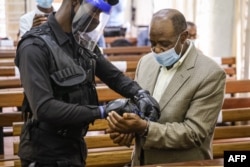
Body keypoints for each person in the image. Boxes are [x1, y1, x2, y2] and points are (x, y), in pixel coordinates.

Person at [15, 0, 160, 166]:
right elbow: (44, 108)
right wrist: (102, 110)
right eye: (95, 12)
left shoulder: (81, 41)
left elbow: (113, 76)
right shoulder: (34, 46)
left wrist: (140, 94)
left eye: (100, 14)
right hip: (44, 153)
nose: (97, 20)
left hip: (74, 147)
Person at [106, 8, 226, 166]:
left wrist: (145, 128)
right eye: (152, 43)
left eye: (164, 44)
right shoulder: (146, 62)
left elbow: (194, 133)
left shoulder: (210, 73)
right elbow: (138, 109)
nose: (156, 50)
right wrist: (127, 128)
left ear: (183, 37)